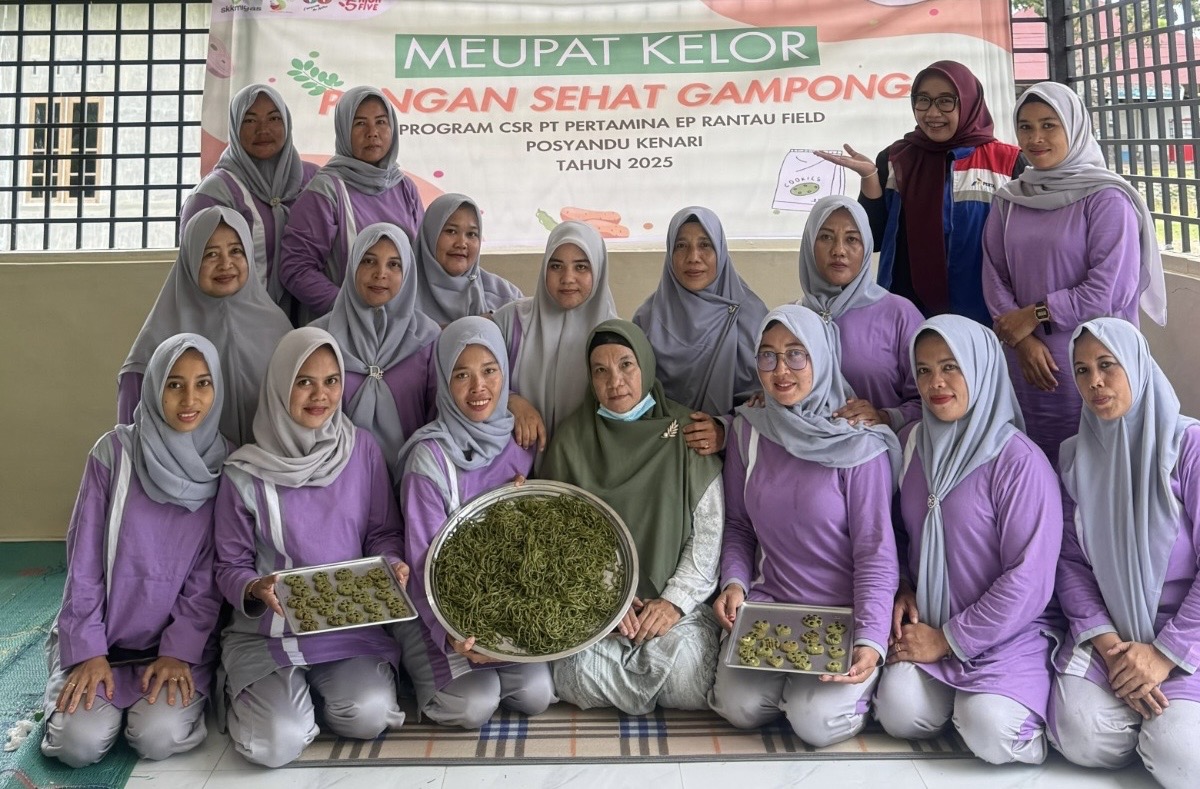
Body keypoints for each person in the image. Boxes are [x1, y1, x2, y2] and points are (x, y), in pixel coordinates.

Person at [214, 327, 408, 768]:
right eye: (304, 381)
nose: (320, 395)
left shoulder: (361, 450)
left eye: (331, 381)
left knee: (369, 715)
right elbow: (228, 564)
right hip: (270, 633)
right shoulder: (244, 472)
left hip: (347, 625)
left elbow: (383, 532)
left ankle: (312, 697)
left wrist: (393, 563)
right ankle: (283, 700)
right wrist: (254, 587)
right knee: (274, 746)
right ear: (280, 385)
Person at [708, 305, 899, 746]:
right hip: (771, 606)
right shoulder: (749, 431)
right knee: (738, 708)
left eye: (797, 354)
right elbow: (738, 525)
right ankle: (792, 689)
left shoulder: (857, 444)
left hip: (843, 612)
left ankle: (843, 690)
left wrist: (871, 638)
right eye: (768, 356)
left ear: (821, 356)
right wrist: (734, 583)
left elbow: (874, 550)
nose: (781, 370)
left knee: (815, 723)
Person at [874, 315, 1061, 765]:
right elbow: (896, 532)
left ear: (980, 367)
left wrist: (948, 639)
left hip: (1008, 633)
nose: (935, 383)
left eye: (950, 366)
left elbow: (1029, 580)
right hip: (931, 622)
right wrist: (903, 586)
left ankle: (1011, 709)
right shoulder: (913, 443)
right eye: (923, 370)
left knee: (990, 728)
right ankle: (964, 704)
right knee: (898, 712)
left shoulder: (1018, 461)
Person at [43, 334, 227, 767]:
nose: (189, 399)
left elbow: (209, 577)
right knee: (77, 745)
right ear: (154, 386)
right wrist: (88, 650)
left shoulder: (225, 464)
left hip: (172, 646)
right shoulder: (114, 454)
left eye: (202, 384)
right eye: (174, 384)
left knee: (157, 738)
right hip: (101, 636)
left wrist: (178, 651)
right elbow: (83, 561)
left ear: (217, 388)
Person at [541, 320, 724, 715]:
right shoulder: (571, 441)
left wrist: (673, 603)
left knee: (688, 679)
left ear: (645, 364)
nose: (615, 381)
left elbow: (709, 531)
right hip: (595, 605)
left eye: (626, 365)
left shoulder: (688, 431)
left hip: (674, 604)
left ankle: (635, 682)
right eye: (601, 371)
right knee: (571, 674)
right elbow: (556, 540)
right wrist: (607, 601)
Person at [983, 81, 1167, 470]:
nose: (1035, 138)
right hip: (1025, 360)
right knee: (1032, 462)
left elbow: (1107, 290)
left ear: (1074, 127)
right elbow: (994, 276)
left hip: (1092, 360)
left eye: (1049, 125)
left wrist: (1033, 316)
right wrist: (1023, 340)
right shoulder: (1010, 199)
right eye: (1025, 127)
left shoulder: (1106, 198)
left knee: (1097, 465)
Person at [1050, 318, 1199, 789]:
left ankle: (1163, 723)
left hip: (1186, 633)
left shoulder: (1188, 447)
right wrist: (1112, 649)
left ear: (1136, 364)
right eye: (1082, 370)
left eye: (1107, 365)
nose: (1095, 381)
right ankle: (1147, 719)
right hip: (1112, 636)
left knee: (1182, 759)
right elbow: (1070, 565)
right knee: (1078, 734)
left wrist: (1163, 655)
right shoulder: (1074, 458)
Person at [392, 317, 556, 728]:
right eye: (461, 375)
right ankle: (417, 670)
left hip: (503, 602)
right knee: (474, 704)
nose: (479, 387)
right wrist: (451, 631)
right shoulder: (429, 457)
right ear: (444, 382)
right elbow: (425, 562)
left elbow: (534, 539)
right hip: (437, 608)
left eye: (489, 371)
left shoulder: (519, 440)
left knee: (536, 695)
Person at [816, 60, 1024, 324]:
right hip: (906, 316)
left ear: (968, 102)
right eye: (923, 100)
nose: (932, 113)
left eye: (945, 101)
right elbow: (874, 239)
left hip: (986, 315)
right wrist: (869, 177)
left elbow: (1025, 248)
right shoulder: (895, 159)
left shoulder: (1006, 162)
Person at [119, 206, 291, 446]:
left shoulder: (277, 326)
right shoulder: (158, 340)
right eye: (210, 254)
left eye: (236, 251)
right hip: (184, 467)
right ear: (191, 259)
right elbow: (131, 438)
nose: (225, 264)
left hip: (263, 464)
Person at [632, 206, 768, 456]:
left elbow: (768, 400)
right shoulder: (647, 318)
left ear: (721, 251)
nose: (693, 257)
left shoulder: (751, 316)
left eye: (705, 245)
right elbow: (634, 398)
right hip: (662, 451)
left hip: (736, 453)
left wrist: (725, 429)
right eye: (681, 246)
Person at [279, 86, 425, 319]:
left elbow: (421, 258)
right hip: (342, 325)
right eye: (359, 123)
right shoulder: (326, 191)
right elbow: (296, 268)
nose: (372, 133)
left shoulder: (404, 187)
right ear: (343, 130)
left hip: (400, 323)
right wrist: (349, 309)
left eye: (381, 122)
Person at [311, 222, 439, 480]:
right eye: (369, 261)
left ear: (408, 272)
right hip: (336, 479)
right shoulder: (318, 339)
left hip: (413, 476)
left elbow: (438, 417)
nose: (380, 273)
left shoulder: (427, 338)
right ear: (353, 266)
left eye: (394, 264)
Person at [180, 83, 318, 315]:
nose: (263, 130)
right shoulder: (213, 195)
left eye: (274, 119)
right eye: (250, 120)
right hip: (239, 321)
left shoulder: (315, 181)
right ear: (235, 127)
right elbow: (197, 274)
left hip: (312, 318)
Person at [797, 195, 924, 431]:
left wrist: (886, 416)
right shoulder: (792, 319)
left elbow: (929, 398)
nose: (838, 250)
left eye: (852, 239)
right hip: (804, 451)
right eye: (825, 237)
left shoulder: (899, 314)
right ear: (809, 243)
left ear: (866, 247)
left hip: (883, 449)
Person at [493, 220, 617, 453]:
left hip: (582, 465)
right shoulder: (511, 321)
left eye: (581, 267)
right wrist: (510, 400)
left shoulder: (616, 337)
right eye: (556, 266)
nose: (567, 278)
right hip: (514, 463)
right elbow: (472, 379)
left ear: (598, 270)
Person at [413, 193, 524, 327]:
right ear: (429, 235)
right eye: (451, 231)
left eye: (471, 234)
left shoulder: (506, 297)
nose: (461, 243)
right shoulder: (401, 293)